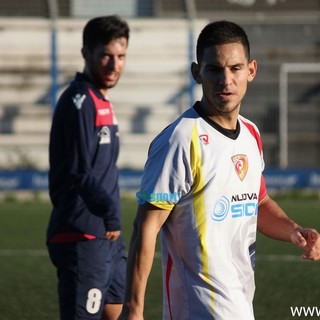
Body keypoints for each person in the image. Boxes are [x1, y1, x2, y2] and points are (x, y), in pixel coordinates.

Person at [119, 20, 320, 320]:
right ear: (197, 72)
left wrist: (294, 231)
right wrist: (133, 310)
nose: (226, 81)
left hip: (240, 301)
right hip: (199, 310)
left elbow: (259, 203)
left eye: (235, 68)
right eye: (214, 69)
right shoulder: (179, 140)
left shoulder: (251, 134)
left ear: (251, 70)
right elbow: (146, 227)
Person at [46, 15, 129, 320]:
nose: (114, 65)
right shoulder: (79, 101)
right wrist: (110, 211)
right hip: (82, 235)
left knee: (121, 313)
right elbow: (79, 170)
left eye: (121, 56)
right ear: (86, 54)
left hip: (108, 238)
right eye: (105, 55)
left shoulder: (102, 101)